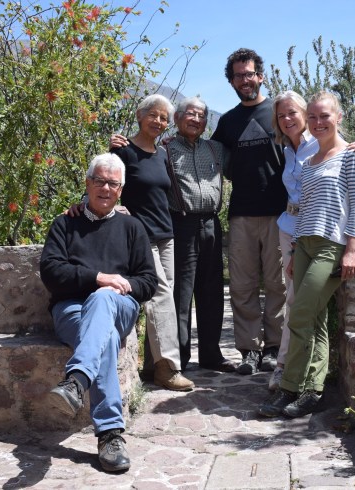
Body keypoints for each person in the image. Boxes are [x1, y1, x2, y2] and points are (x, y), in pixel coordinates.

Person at [40, 153, 157, 472]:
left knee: (103, 299)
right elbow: (51, 272)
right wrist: (97, 278)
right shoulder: (65, 224)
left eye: (112, 183)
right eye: (99, 181)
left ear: (121, 190)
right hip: (71, 310)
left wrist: (116, 286)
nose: (105, 188)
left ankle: (76, 380)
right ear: (87, 183)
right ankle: (109, 435)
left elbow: (148, 282)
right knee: (104, 338)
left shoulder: (132, 227)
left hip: (119, 305)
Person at [258, 91, 355, 418]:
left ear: (338, 118)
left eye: (325, 116)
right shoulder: (308, 164)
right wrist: (294, 251)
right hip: (304, 245)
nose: (319, 122)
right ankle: (310, 390)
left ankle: (292, 387)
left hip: (331, 246)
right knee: (315, 319)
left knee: (301, 314)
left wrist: (351, 250)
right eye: (314, 117)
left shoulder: (351, 156)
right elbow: (305, 209)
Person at [110, 96, 237, 372]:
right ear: (177, 119)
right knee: (179, 293)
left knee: (212, 291)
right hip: (180, 224)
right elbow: (139, 172)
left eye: (201, 116)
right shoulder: (164, 149)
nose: (196, 119)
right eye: (190, 114)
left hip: (212, 224)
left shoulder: (216, 149)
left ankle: (212, 354)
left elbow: (244, 166)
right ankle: (177, 357)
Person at [110, 94, 195, 391]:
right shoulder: (123, 151)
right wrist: (116, 209)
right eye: (153, 115)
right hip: (140, 235)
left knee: (165, 298)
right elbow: (109, 184)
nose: (158, 122)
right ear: (139, 115)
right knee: (159, 295)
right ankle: (168, 368)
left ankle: (151, 365)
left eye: (163, 118)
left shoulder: (162, 154)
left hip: (166, 233)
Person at [211, 48, 286, 375]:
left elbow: (310, 139)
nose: (245, 80)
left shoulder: (278, 113)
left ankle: (274, 347)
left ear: (261, 76)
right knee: (242, 286)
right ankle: (249, 351)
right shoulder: (227, 122)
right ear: (231, 81)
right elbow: (208, 154)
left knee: (278, 285)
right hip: (241, 213)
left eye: (250, 74)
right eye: (238, 75)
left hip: (279, 214)